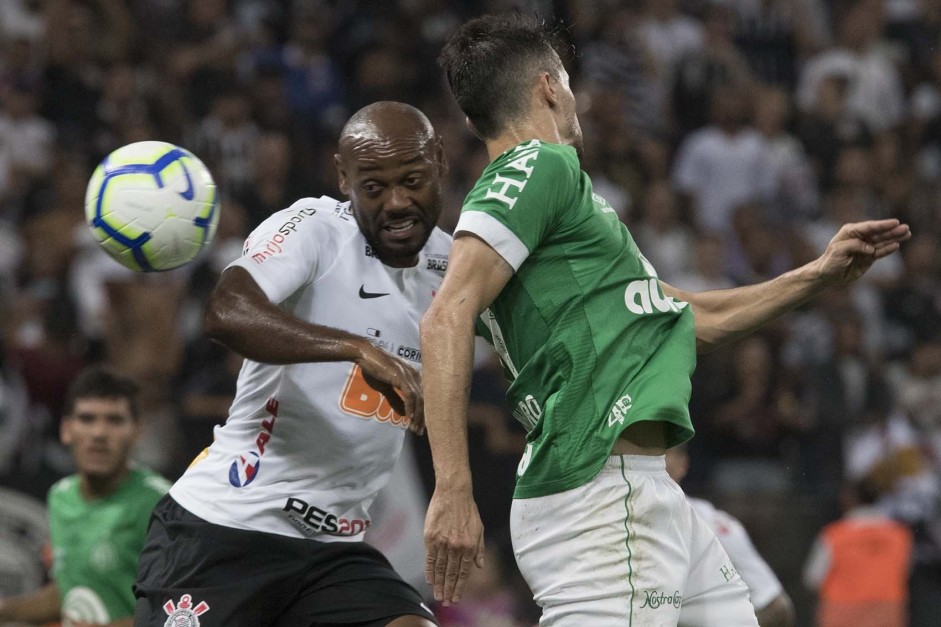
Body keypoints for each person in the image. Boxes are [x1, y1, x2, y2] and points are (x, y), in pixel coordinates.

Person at [420, 13, 911, 626]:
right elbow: (445, 319)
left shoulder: (561, 216)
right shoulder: (538, 167)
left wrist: (816, 275)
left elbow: (685, 315)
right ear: (549, 86)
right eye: (570, 83)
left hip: (639, 489)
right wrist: (452, 488)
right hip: (601, 493)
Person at [133, 101, 446, 627]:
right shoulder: (314, 229)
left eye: (413, 180)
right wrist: (356, 348)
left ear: (439, 160)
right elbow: (226, 311)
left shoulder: (453, 265)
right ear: (343, 178)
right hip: (229, 528)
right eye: (373, 187)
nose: (397, 202)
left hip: (333, 551)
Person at [0, 366, 168, 627]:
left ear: (137, 431)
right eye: (87, 419)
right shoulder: (61, 497)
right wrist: (6, 611)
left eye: (114, 420)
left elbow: (181, 608)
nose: (99, 433)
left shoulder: (162, 504)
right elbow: (70, 589)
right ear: (66, 430)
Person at [664, 445, 796, 627]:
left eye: (661, 454)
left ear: (682, 464)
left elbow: (776, 608)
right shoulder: (626, 516)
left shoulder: (705, 521)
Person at [803, 479, 914, 627]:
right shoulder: (900, 536)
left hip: (840, 615)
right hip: (886, 614)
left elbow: (813, 578)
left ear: (851, 499)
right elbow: (905, 570)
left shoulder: (833, 536)